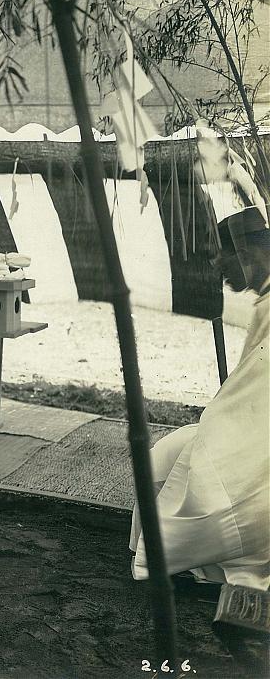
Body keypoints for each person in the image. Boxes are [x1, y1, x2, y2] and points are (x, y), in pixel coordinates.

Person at [130, 206, 270, 590]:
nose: (219, 270)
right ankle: (177, 559)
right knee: (162, 456)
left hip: (259, 444)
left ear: (246, 255)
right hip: (243, 425)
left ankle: (175, 558)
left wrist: (221, 422)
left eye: (224, 260)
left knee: (206, 484)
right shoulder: (265, 300)